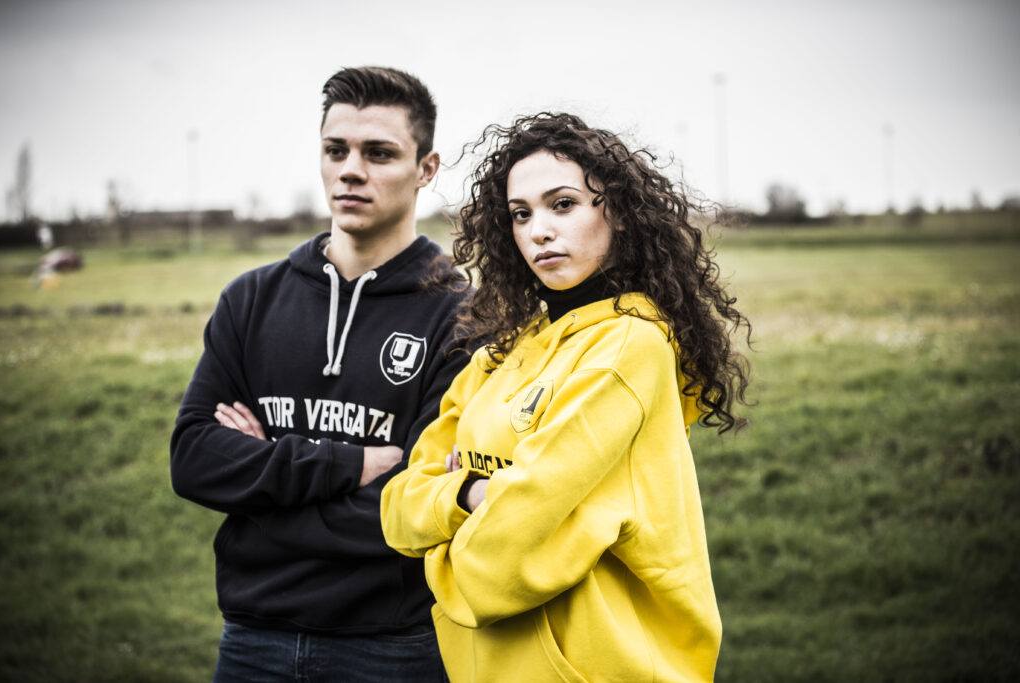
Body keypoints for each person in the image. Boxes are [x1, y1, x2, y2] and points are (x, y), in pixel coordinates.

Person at [380, 112, 751, 682]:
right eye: (521, 214)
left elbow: (497, 566)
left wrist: (445, 529)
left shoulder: (630, 344)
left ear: (618, 213)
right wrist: (474, 494)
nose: (539, 231)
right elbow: (397, 507)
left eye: (562, 205)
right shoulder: (502, 352)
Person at [170, 66, 470, 682]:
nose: (351, 170)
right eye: (336, 150)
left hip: (392, 647)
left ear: (427, 169)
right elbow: (194, 459)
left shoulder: (463, 319)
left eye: (379, 153)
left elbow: (418, 505)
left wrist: (260, 492)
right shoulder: (251, 299)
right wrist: (346, 465)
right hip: (252, 641)